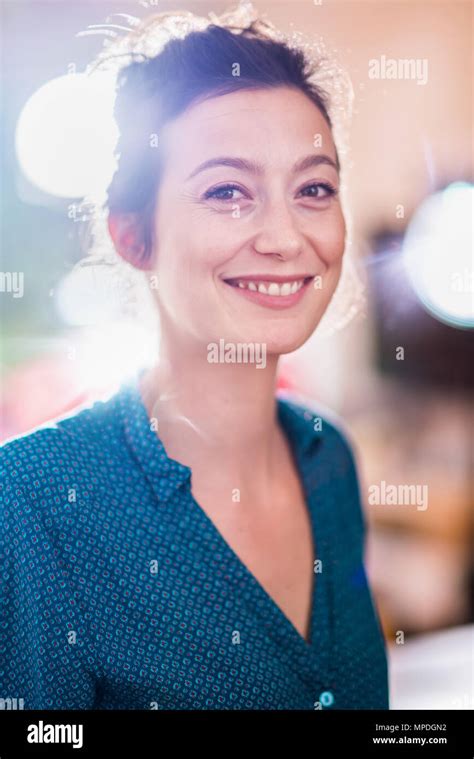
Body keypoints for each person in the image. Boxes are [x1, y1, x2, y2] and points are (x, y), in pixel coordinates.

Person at [0, 6, 389, 710]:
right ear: (132, 236)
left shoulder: (333, 458)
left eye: (313, 189)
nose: (284, 236)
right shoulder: (33, 497)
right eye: (227, 192)